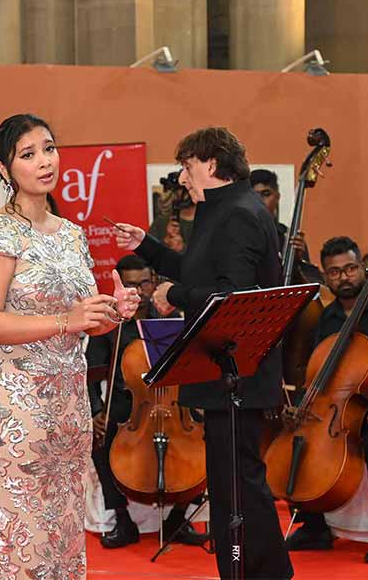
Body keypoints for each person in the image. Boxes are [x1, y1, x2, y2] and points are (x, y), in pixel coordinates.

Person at [113, 127, 292, 579]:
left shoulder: (237, 215)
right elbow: (197, 270)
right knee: (232, 485)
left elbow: (234, 296)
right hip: (224, 371)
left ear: (211, 165)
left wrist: (179, 294)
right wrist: (147, 246)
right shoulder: (221, 211)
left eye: (188, 166)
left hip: (237, 372)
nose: (182, 176)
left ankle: (265, 572)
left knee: (240, 486)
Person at [0, 113, 139, 579]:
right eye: (28, 154)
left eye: (49, 148)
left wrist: (112, 310)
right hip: (15, 401)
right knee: (17, 528)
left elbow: (81, 324)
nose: (44, 161)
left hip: (68, 399)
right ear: (4, 170)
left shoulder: (70, 233)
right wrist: (67, 320)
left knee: (63, 528)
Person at [284, 236, 368, 563]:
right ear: (325, 277)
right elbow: (320, 369)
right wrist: (304, 405)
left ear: (363, 268)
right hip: (343, 405)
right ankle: (315, 526)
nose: (344, 277)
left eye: (350, 268)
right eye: (335, 272)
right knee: (300, 438)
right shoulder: (327, 318)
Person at [85, 254, 208, 549]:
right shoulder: (109, 324)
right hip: (129, 411)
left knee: (210, 439)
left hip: (174, 407)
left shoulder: (169, 317)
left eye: (144, 284)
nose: (137, 293)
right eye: (130, 285)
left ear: (153, 282)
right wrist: (97, 412)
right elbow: (90, 374)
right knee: (98, 440)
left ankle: (179, 516)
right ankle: (122, 519)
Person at [249, 168, 321, 284]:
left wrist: (299, 261)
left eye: (266, 194)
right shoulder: (239, 236)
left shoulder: (289, 238)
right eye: (255, 195)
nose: (260, 201)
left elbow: (311, 286)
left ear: (277, 197)